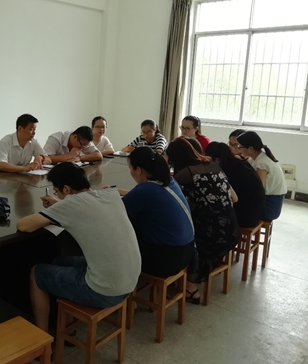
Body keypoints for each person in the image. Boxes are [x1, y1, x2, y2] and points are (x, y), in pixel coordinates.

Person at [16, 163, 141, 332]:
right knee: (57, 261)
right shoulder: (110, 194)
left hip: (105, 291)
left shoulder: (70, 205)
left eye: (57, 191)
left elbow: (23, 225)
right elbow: (82, 205)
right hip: (131, 282)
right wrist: (59, 204)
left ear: (66, 189)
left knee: (37, 273)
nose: (57, 194)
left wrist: (59, 207)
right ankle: (66, 327)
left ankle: (43, 337)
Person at [166, 138, 239, 304]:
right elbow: (234, 198)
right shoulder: (213, 166)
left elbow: (171, 201)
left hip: (212, 236)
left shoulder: (186, 173)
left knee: (181, 237)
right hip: (232, 231)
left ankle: (190, 287)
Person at [118, 148, 195, 277]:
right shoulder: (170, 182)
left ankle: (121, 279)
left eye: (130, 168)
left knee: (123, 228)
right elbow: (145, 196)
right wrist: (120, 192)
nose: (130, 172)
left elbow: (117, 211)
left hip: (166, 260)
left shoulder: (145, 189)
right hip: (187, 252)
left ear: (139, 170)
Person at [205, 142, 266, 228]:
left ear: (217, 160)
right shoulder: (238, 161)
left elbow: (230, 198)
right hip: (258, 212)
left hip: (247, 218)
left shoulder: (228, 170)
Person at [237, 131, 287, 221]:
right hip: (265, 201)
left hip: (269, 206)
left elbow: (259, 189)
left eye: (240, 146)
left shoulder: (261, 163)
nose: (239, 149)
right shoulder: (256, 157)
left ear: (250, 148)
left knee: (236, 210)